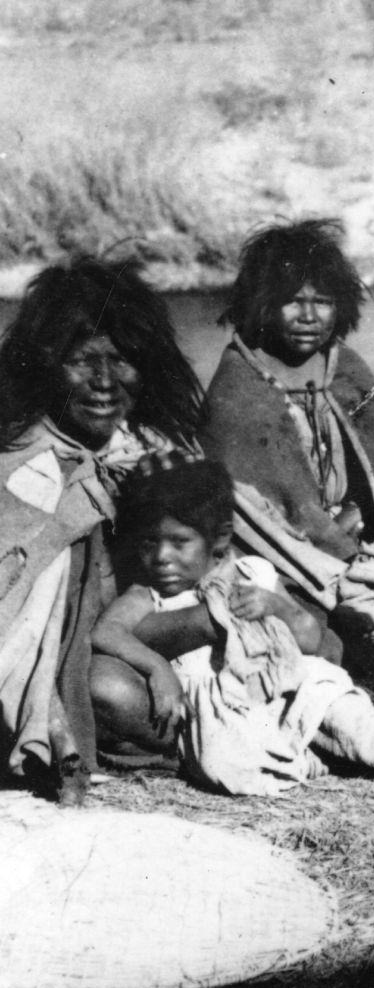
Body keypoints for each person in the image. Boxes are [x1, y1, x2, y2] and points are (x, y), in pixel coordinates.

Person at [90, 454, 374, 803]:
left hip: (293, 687)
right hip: (228, 708)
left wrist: (277, 606)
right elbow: (106, 632)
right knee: (225, 763)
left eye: (179, 542)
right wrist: (157, 668)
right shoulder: (147, 594)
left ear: (221, 538)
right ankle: (315, 760)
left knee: (354, 723)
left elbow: (312, 638)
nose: (161, 557)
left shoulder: (254, 573)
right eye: (148, 542)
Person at [0, 256, 202, 803]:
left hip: (145, 627)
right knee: (106, 691)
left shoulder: (150, 448)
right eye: (81, 362)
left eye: (121, 361)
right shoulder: (26, 466)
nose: (105, 382)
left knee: (303, 632)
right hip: (79, 656)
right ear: (45, 366)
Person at [199, 220, 374, 565]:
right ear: (264, 305)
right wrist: (334, 538)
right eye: (293, 302)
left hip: (360, 519)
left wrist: (357, 513)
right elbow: (264, 504)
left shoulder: (341, 363)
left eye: (323, 302)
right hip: (289, 547)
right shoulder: (240, 385)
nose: (309, 316)